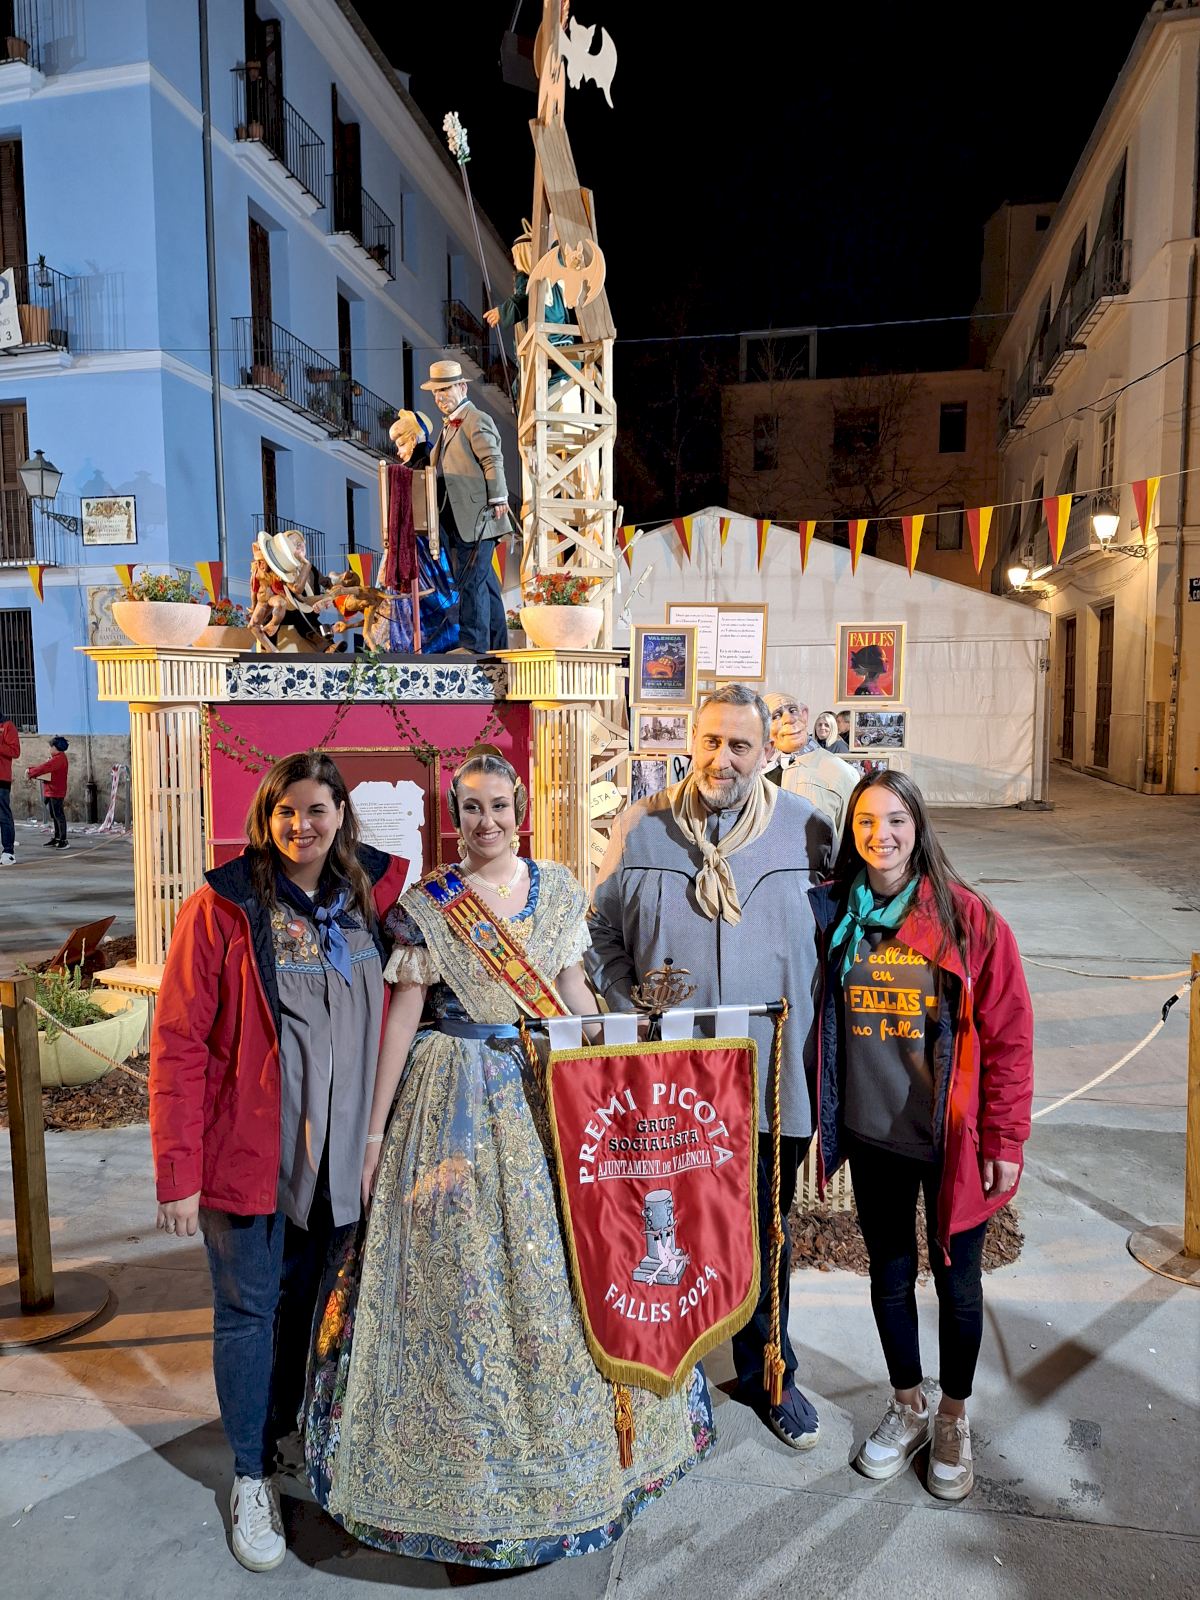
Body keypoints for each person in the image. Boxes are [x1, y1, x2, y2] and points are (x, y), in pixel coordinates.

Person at [305, 747, 714, 1566]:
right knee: (459, 1277)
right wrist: (376, 1134)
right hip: (450, 1097)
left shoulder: (557, 889)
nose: (485, 821)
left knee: (562, 1261)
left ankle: (583, 1461)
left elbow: (572, 992)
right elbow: (404, 1017)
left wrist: (614, 1062)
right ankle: (455, 1474)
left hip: (542, 1088)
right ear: (453, 818)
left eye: (498, 806)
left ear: (519, 812)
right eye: (470, 808)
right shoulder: (429, 905)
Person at [150, 751, 408, 1573]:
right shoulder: (223, 909)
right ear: (266, 818)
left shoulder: (372, 898)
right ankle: (250, 1473)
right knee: (249, 1312)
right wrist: (179, 1171)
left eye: (318, 809)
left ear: (341, 816)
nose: (302, 825)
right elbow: (179, 1042)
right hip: (251, 1156)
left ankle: (291, 1434)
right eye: (286, 811)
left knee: (311, 1309)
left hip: (342, 1163)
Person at [588, 684, 832, 1451]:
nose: (722, 759)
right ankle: (675, 1372)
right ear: (691, 742)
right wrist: (633, 1003)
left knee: (765, 1229)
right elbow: (598, 931)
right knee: (672, 1226)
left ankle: (768, 1369)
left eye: (740, 745)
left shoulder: (808, 831)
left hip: (772, 1079)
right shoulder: (644, 827)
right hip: (673, 1079)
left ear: (767, 751)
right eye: (710, 741)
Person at [809, 770, 1034, 1501]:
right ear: (852, 832)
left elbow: (1010, 1036)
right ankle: (908, 1402)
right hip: (873, 1132)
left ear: (919, 826)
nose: (882, 835)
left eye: (897, 820)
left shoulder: (967, 919)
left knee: (960, 1283)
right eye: (867, 821)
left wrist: (1005, 1139)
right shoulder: (834, 912)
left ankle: (953, 1416)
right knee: (890, 1273)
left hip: (951, 1142)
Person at [422, 358, 511, 654]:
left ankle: (473, 645)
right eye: (436, 392)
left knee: (471, 581)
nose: (440, 397)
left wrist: (498, 497)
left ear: (462, 387)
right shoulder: (448, 427)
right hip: (458, 519)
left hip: (478, 517)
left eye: (445, 389)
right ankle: (497, 644)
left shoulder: (476, 419)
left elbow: (492, 459)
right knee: (484, 584)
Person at [373, 408, 459, 653]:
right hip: (422, 541)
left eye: (401, 444)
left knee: (422, 596)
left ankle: (418, 644)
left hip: (419, 544)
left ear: (413, 439)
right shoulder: (429, 462)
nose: (398, 452)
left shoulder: (419, 467)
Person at [766, 690, 859, 845]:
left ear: (804, 715)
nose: (789, 719)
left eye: (793, 711)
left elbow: (849, 842)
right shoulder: (754, 771)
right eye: (776, 716)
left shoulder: (842, 773)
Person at [28, 735, 69, 849]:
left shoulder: (58, 759)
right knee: (54, 815)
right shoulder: (57, 758)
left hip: (56, 791)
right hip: (52, 790)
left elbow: (44, 768)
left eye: (51, 747)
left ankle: (63, 840)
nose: (50, 749)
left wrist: (31, 771)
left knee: (58, 815)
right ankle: (57, 837)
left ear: (56, 747)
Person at [0, 709, 19, 864]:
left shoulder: (7, 726)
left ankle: (8, 852)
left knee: (3, 815)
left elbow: (15, 751)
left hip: (1, 778)